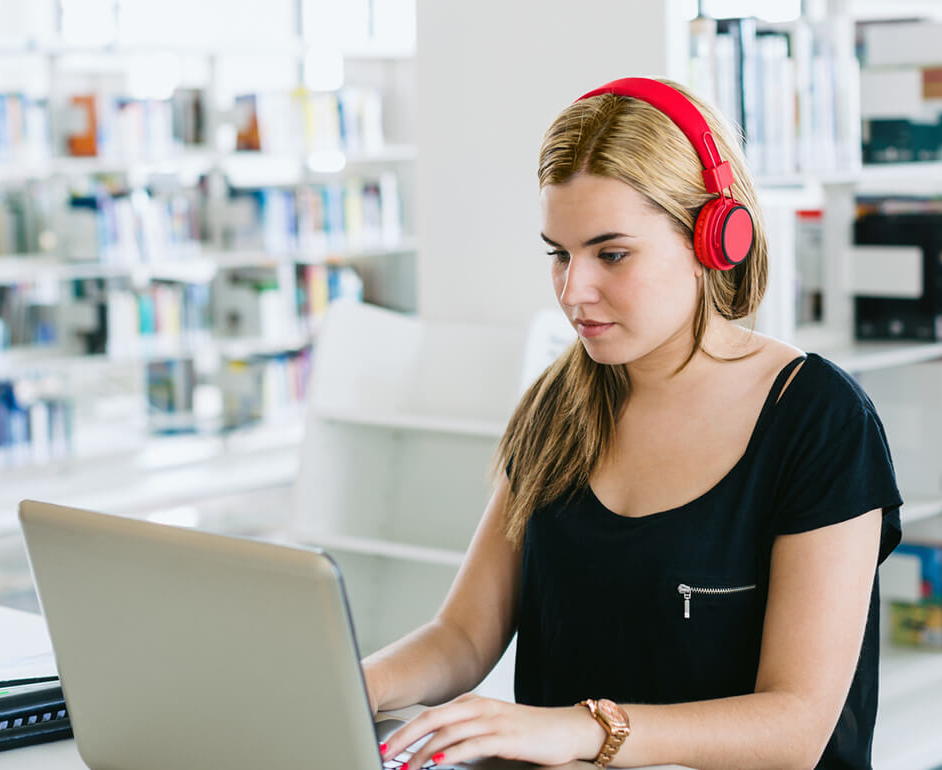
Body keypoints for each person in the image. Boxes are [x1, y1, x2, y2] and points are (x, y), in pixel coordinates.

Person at [364, 77, 903, 770]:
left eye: (610, 254)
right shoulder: (558, 405)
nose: (572, 290)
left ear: (715, 239)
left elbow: (795, 727)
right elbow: (464, 636)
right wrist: (352, 684)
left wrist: (585, 730)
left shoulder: (820, 421)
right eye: (558, 254)